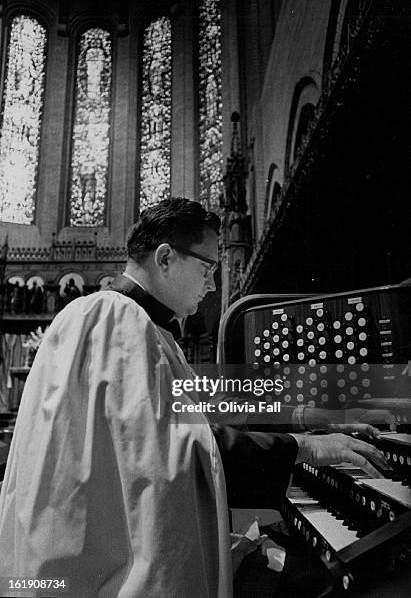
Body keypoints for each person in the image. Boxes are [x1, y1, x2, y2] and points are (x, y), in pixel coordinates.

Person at [0, 198, 390, 597]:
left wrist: (307, 416)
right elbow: (179, 449)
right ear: (165, 258)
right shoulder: (118, 319)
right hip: (104, 572)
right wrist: (309, 447)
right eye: (208, 267)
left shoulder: (125, 321)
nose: (213, 285)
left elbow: (205, 404)